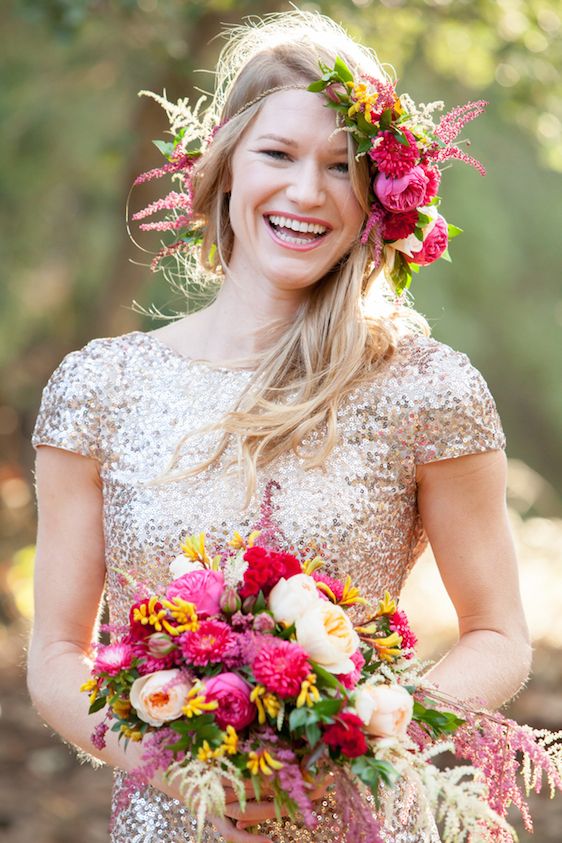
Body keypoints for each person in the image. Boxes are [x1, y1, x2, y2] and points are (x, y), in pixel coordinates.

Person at [27, 9, 532, 843]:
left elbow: (498, 634)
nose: (307, 191)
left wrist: (367, 735)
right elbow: (56, 654)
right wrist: (175, 762)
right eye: (278, 154)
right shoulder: (99, 388)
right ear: (225, 168)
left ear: (378, 196)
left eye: (342, 166)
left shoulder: (427, 387)